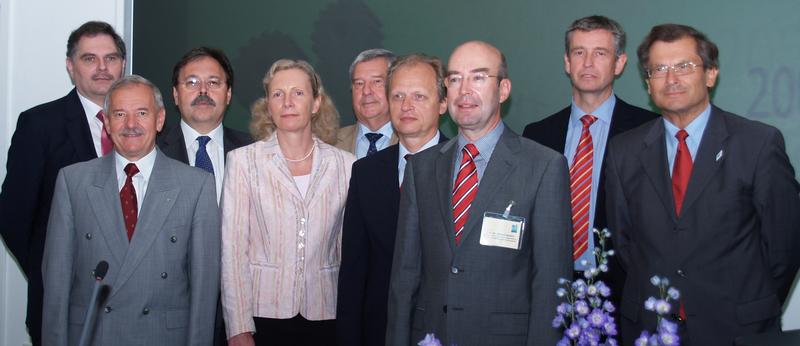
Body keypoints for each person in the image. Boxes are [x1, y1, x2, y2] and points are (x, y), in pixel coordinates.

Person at [605, 23, 800, 345]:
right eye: (659, 69)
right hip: (651, 326)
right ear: (647, 83)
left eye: (684, 66)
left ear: (710, 74)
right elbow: (625, 244)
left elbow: (785, 245)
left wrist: (751, 303)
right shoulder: (624, 151)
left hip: (736, 327)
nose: (672, 79)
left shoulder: (757, 143)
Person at [386, 41, 572, 346]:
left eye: (478, 77)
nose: (464, 89)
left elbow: (551, 284)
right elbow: (404, 278)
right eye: (455, 79)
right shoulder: (421, 168)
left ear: (503, 89)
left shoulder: (543, 166)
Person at [42, 75, 220, 345]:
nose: (131, 124)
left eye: (142, 113)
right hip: (94, 336)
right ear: (108, 123)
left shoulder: (196, 185)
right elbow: (56, 283)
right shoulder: (73, 181)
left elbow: (205, 290)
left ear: (159, 119)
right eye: (120, 114)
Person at [0, 21, 126, 345]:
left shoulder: (144, 123)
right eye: (89, 59)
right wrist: (55, 275)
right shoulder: (39, 124)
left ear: (122, 64)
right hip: (63, 306)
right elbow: (14, 217)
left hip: (133, 309)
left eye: (111, 58)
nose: (102, 68)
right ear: (71, 66)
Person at [522, 15, 657, 305]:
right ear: (567, 63)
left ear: (619, 64)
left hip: (624, 292)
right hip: (552, 290)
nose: (587, 63)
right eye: (579, 52)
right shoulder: (537, 134)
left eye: (600, 53)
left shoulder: (649, 131)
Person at [221, 59, 354, 346]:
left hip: (325, 316)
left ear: (316, 103)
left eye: (298, 93)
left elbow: (348, 252)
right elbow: (233, 252)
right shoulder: (244, 162)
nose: (287, 102)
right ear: (268, 105)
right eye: (278, 94)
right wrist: (237, 327)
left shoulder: (345, 165)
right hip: (261, 316)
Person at [336, 53, 448, 346]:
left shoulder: (465, 167)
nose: (406, 106)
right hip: (379, 330)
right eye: (397, 95)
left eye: (419, 96)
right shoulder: (365, 172)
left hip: (445, 328)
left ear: (443, 103)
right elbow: (354, 269)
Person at [157, 47, 252, 203]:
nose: (203, 91)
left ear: (228, 95)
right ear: (175, 95)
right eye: (192, 83)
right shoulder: (154, 151)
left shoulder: (251, 151)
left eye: (213, 82)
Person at [335, 48, 398, 158]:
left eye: (377, 81)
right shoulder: (330, 143)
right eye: (359, 83)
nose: (366, 91)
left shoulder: (413, 141)